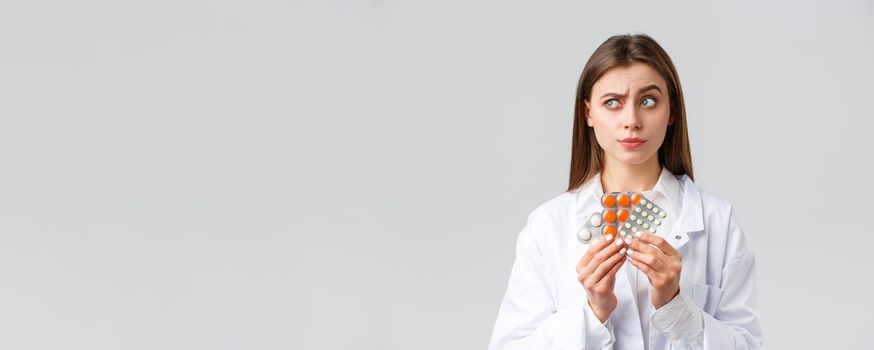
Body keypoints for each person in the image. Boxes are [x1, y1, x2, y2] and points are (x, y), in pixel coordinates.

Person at [487, 34, 763, 349]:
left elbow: (748, 345)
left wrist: (675, 305)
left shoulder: (717, 220)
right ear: (588, 113)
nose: (631, 121)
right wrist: (593, 312)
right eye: (612, 103)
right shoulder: (549, 225)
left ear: (671, 110)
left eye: (648, 101)